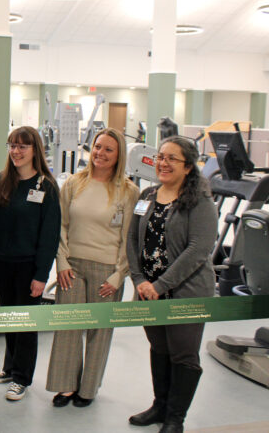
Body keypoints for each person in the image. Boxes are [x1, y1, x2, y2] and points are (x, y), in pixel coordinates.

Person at [126, 137, 217, 433]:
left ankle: (176, 417)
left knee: (183, 354)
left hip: (185, 292)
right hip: (149, 292)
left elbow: (198, 249)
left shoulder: (199, 201)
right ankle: (159, 406)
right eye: (160, 157)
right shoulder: (148, 194)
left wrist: (161, 284)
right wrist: (140, 280)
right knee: (159, 347)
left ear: (188, 167)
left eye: (171, 159)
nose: (162, 163)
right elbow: (132, 239)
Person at [46, 128, 139, 407]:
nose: (100, 153)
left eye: (109, 149)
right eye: (98, 146)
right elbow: (59, 225)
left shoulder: (128, 191)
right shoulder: (74, 183)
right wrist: (61, 261)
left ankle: (88, 389)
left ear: (119, 154)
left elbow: (129, 238)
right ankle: (66, 386)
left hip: (107, 269)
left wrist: (119, 274)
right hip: (71, 267)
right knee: (68, 327)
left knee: (99, 333)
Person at [0, 126, 60, 401]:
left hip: (29, 266)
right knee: (8, 318)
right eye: (12, 145)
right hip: (2, 262)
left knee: (25, 323)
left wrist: (41, 275)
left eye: (22, 146)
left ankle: (22, 378)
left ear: (35, 150)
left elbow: (50, 235)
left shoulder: (46, 186)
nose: (16, 151)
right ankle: (9, 368)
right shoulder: (2, 180)